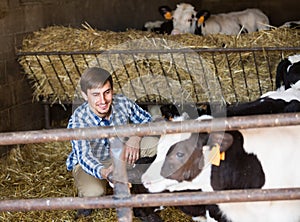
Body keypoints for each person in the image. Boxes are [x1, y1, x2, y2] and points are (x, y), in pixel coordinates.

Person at [66, 67, 158, 218]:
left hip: (121, 155)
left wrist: (136, 137)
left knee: (155, 144)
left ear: (112, 91)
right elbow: (84, 157)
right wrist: (105, 172)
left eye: (107, 92)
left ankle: (136, 183)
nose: (103, 101)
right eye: (95, 95)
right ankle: (88, 196)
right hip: (94, 163)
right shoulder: (78, 119)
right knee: (94, 192)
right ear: (84, 95)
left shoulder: (122, 103)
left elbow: (150, 121)